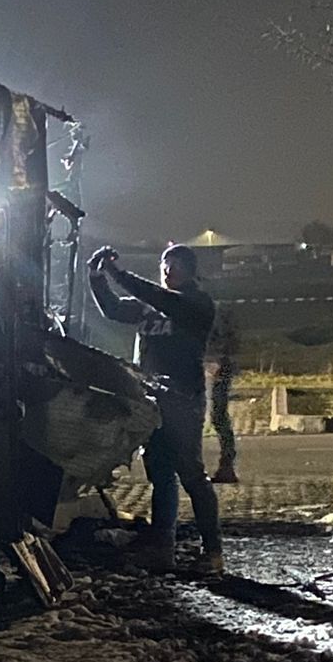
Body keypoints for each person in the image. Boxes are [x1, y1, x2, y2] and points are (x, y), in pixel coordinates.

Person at [87, 243, 223, 575]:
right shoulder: (151, 308)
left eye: (174, 265)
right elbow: (114, 310)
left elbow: (160, 299)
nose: (167, 271)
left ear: (190, 271)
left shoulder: (196, 305)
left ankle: (213, 552)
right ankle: (163, 549)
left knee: (191, 474)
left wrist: (118, 273)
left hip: (183, 400)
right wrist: (96, 277)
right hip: (152, 399)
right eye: (164, 265)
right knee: (160, 475)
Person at [207, 303, 240, 485]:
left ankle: (226, 464)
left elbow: (222, 339)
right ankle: (226, 464)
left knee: (217, 415)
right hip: (215, 365)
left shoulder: (208, 309)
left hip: (215, 367)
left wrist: (216, 360)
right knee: (218, 415)